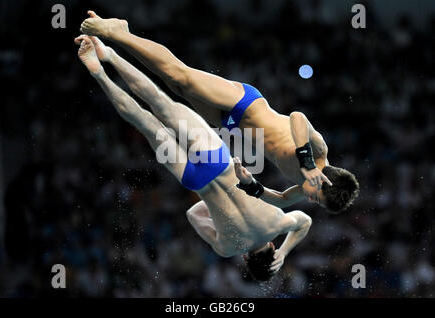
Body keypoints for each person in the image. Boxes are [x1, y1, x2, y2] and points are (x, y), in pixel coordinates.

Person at [75, 34, 312, 281]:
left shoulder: (279, 223)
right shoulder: (226, 248)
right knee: (144, 122)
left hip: (219, 163)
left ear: (273, 247)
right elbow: (193, 214)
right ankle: (99, 74)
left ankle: (110, 55)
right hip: (195, 180)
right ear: (245, 259)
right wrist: (214, 203)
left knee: (160, 103)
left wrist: (285, 252)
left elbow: (304, 221)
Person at [79, 11, 360, 213]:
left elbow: (281, 200)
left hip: (229, 123)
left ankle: (124, 33)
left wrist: (252, 185)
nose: (311, 201)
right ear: (324, 182)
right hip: (245, 102)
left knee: (176, 87)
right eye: (317, 199)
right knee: (181, 77)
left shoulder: (303, 187)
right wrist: (307, 161)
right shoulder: (319, 151)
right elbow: (298, 117)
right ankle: (115, 32)